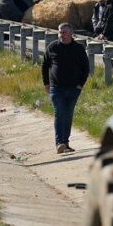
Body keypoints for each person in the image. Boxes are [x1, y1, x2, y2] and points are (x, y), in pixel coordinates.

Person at [42, 23, 90, 154]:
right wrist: (46, 84)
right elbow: (45, 66)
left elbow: (85, 68)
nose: (61, 35)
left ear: (71, 33)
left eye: (64, 32)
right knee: (59, 113)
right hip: (56, 88)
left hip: (73, 89)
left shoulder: (78, 48)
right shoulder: (53, 47)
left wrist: (80, 84)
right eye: (59, 32)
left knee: (68, 115)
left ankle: (65, 142)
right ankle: (59, 143)